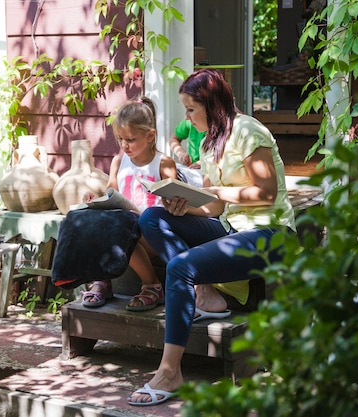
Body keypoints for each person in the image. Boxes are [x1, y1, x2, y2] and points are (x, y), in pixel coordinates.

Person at [127, 68, 296, 406]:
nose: (186, 117)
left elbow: (266, 192)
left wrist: (217, 190)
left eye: (191, 109)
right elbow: (215, 207)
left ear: (210, 104)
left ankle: (170, 371)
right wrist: (182, 205)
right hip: (232, 227)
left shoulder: (248, 130)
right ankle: (205, 294)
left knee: (179, 269)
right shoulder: (208, 143)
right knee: (151, 218)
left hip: (270, 233)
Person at [80, 96, 178, 311]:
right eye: (120, 139)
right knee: (96, 223)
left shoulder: (163, 164)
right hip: (125, 228)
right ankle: (103, 280)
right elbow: (110, 193)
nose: (125, 145)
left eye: (131, 140)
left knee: (123, 232)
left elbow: (174, 200)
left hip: (151, 235)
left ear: (150, 135)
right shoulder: (119, 161)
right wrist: (94, 200)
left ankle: (152, 285)